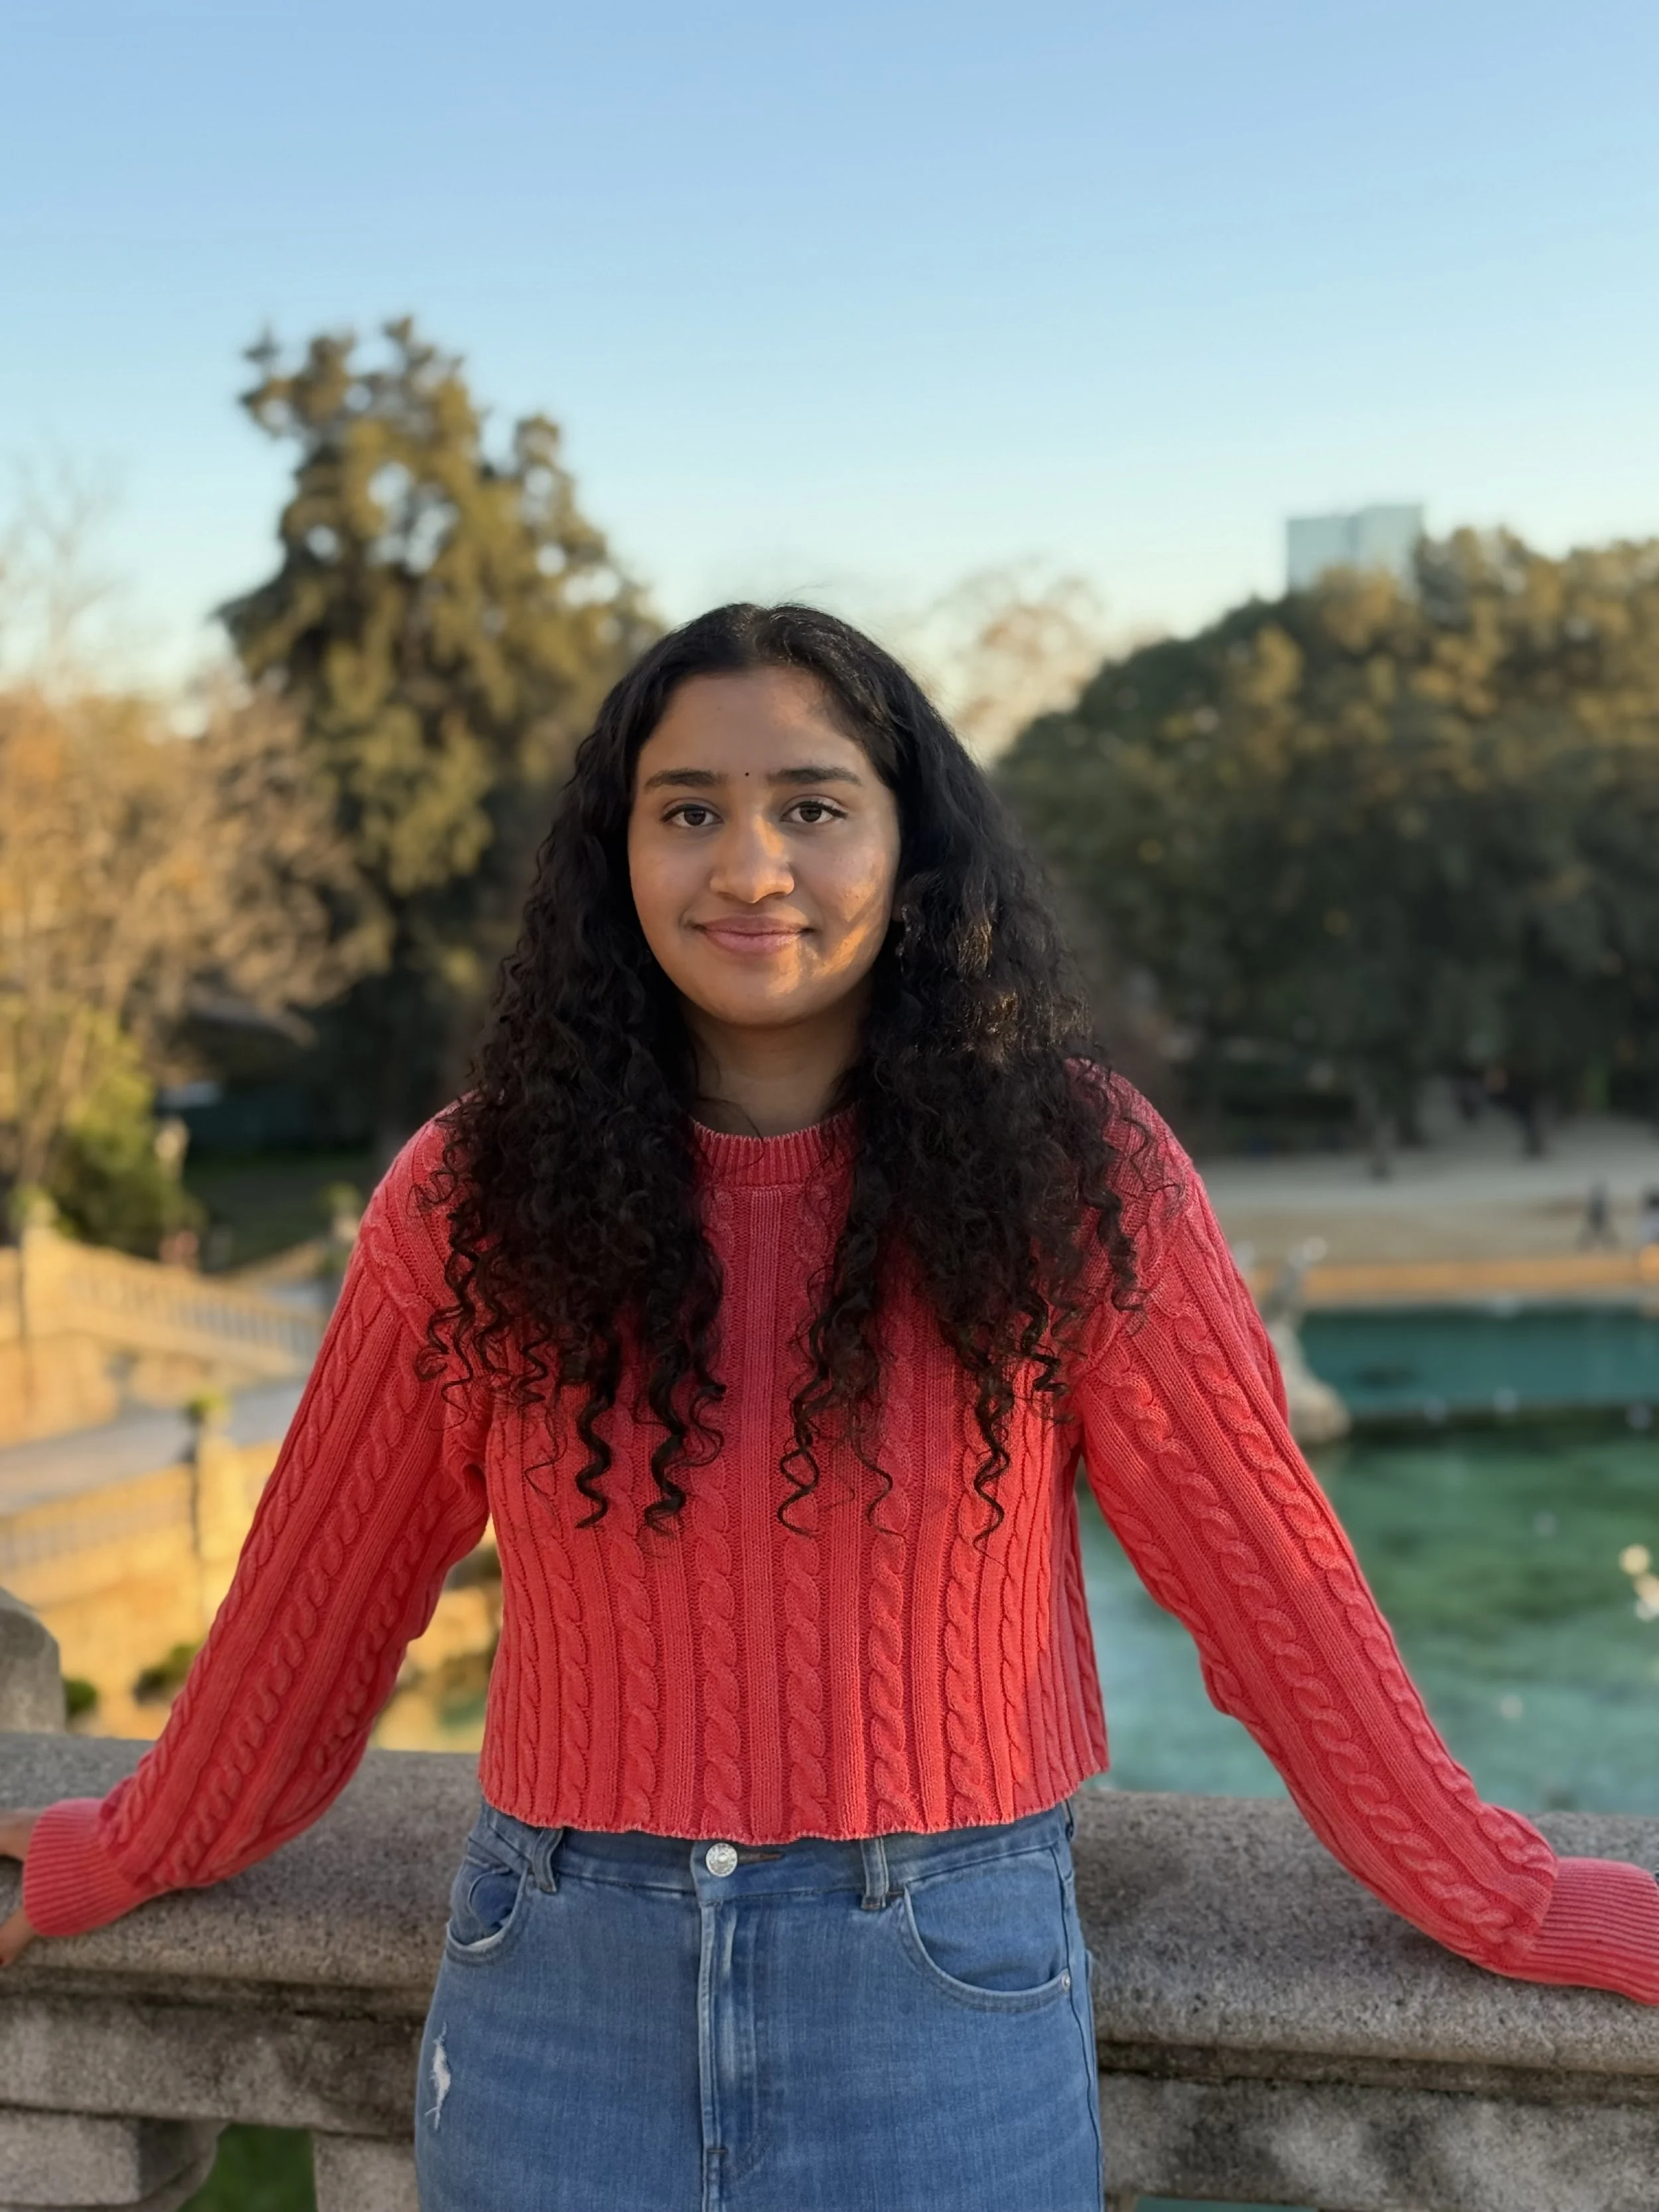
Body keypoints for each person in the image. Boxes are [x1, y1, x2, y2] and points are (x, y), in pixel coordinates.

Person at [3, 605, 1658, 2212]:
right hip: (551, 1994)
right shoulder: (469, 1194)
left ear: (909, 847)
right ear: (617, 858)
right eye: (687, 811)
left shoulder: (1079, 1175)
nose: (748, 865)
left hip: (940, 1999)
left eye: (810, 804)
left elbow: (1268, 1592)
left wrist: (1509, 1899)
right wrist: (115, 1851)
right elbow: (316, 1609)